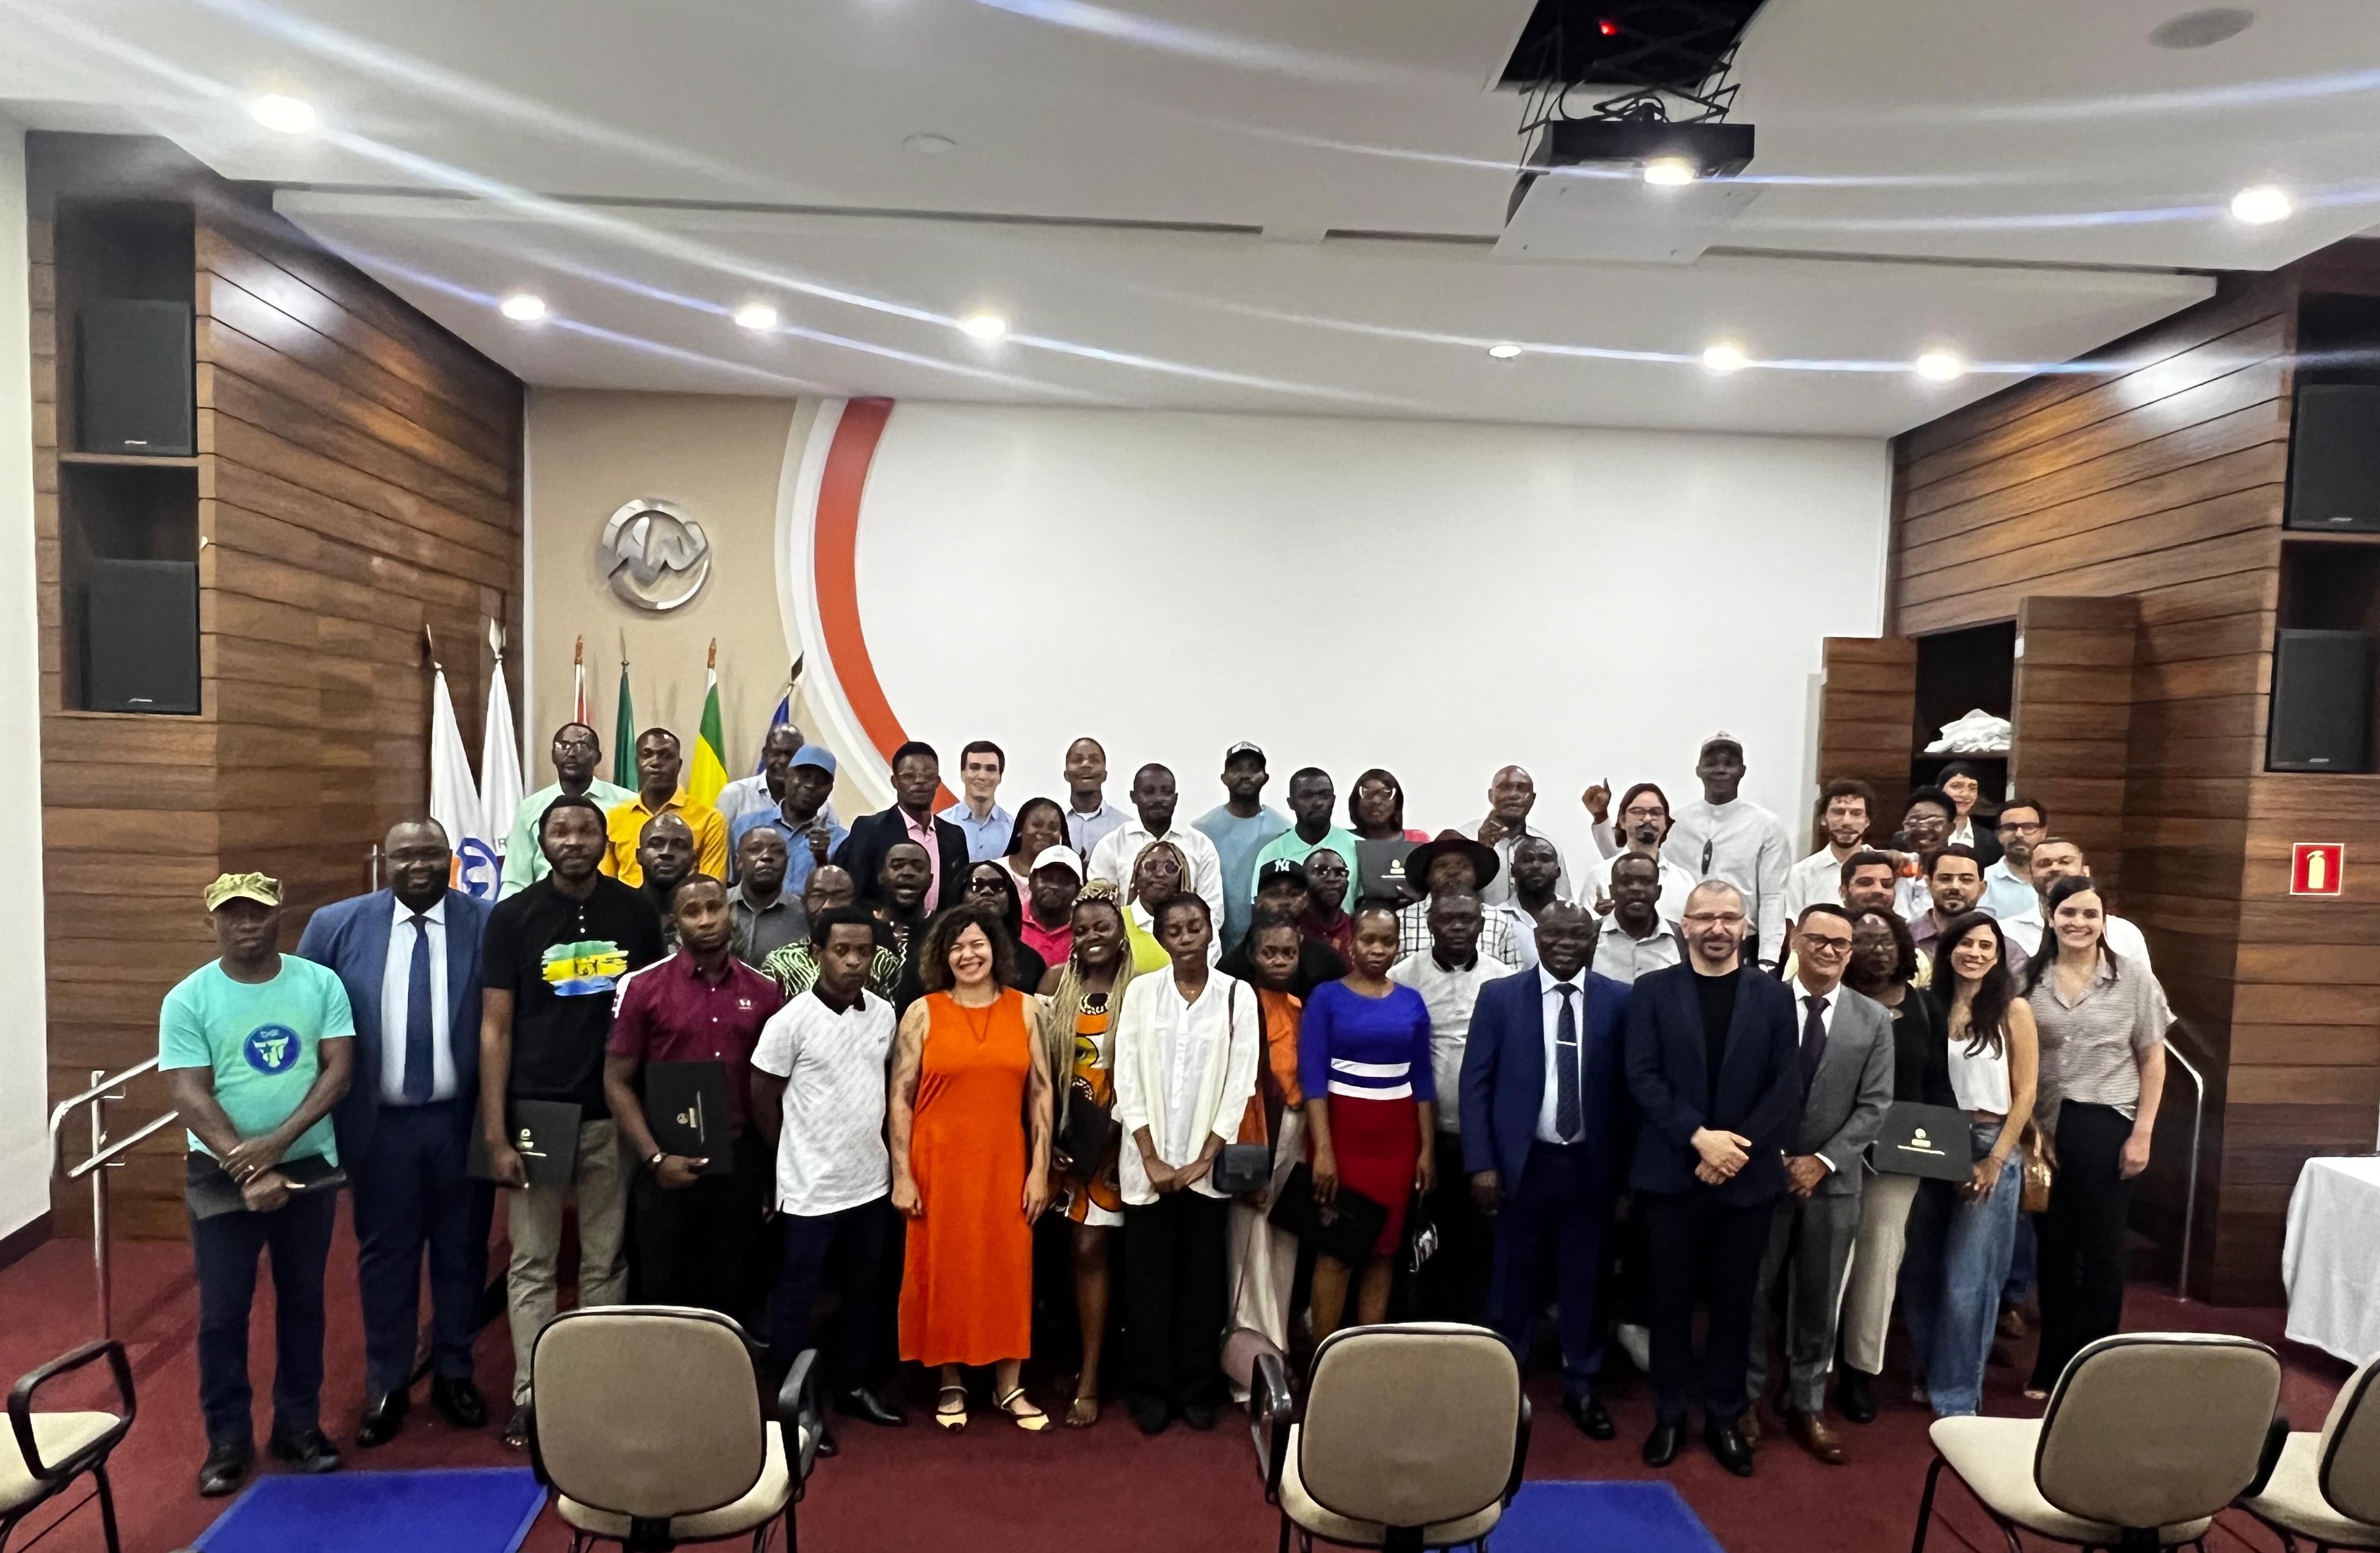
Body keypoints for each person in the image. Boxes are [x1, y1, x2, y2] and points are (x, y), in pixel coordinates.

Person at [479, 794, 668, 1448]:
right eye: (560, 830)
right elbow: (495, 1028)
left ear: (604, 840)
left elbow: (651, 1015)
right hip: (538, 1110)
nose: (574, 840)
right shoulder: (511, 918)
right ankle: (534, 1395)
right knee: (532, 1261)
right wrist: (495, 1132)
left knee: (605, 1259)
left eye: (586, 830)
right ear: (542, 842)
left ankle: (596, 1390)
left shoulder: (635, 912)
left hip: (613, 1111)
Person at [296, 822, 491, 1450]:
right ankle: (388, 1381)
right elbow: (304, 1016)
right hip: (378, 1127)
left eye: (431, 853)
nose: (419, 865)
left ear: (449, 859)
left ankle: (455, 1371)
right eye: (405, 855)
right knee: (386, 1255)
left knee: (463, 1251)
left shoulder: (487, 922)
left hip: (461, 1120)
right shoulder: (335, 925)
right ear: (386, 859)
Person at [164, 872, 357, 1496]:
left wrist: (276, 1146)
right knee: (223, 1311)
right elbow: (188, 1092)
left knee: (304, 1301)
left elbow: (338, 1073)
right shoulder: (188, 999)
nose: (246, 923)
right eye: (233, 914)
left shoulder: (320, 983)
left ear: (280, 916)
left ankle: (297, 1426)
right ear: (212, 923)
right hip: (221, 1174)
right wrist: (249, 1165)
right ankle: (227, 1440)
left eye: (258, 912)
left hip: (306, 1164)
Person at [1625, 879, 1802, 1477]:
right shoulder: (1652, 991)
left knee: (1736, 1303)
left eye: (1730, 917)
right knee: (1669, 1301)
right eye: (1705, 918)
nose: (1718, 928)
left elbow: (1785, 1084)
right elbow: (1642, 1075)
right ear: (1685, 925)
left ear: (1746, 927)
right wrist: (1700, 1138)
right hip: (1672, 1174)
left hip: (1746, 1179)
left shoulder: (1774, 996)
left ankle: (1726, 1416)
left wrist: (1734, 1149)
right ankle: (1670, 1414)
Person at [1460, 900, 1627, 1438]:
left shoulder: (1619, 999)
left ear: (1592, 940)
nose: (1564, 944)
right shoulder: (1500, 996)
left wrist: (1627, 1176)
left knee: (1586, 1278)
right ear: (1537, 938)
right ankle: (1503, 1382)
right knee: (1513, 1275)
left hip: (1590, 1166)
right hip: (1522, 1163)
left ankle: (1582, 1384)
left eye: (1576, 935)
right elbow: (1475, 1084)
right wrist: (1481, 1162)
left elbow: (1630, 1093)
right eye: (1554, 934)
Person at [890, 904, 1057, 1431]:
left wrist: (1040, 1170)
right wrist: (902, 1174)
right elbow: (900, 1096)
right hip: (937, 1161)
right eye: (957, 946)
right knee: (945, 1266)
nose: (968, 954)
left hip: (1005, 1160)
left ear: (996, 949)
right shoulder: (923, 1012)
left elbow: (1042, 1092)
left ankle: (1010, 1385)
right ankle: (950, 1379)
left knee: (1009, 1267)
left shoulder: (1027, 1009)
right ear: (943, 956)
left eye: (977, 943)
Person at [1744, 905, 1894, 1465]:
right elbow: (1741, 1086)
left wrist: (1823, 1161)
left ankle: (1806, 1403)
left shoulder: (1872, 1018)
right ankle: (1744, 1400)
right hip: (1763, 1175)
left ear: (1850, 952)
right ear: (1795, 942)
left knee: (1819, 1296)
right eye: (1818, 940)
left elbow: (1875, 1104)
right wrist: (1776, 1155)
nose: (1829, 951)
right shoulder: (1762, 1004)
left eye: (1841, 943)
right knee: (1752, 1293)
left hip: (1834, 1183)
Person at [1111, 892, 1263, 1434]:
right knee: (1146, 1284)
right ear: (1161, 937)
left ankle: (1197, 1389)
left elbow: (1240, 1082)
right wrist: (1152, 1156)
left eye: (1194, 926)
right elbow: (1126, 1073)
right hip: (1146, 1165)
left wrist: (1204, 1158)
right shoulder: (1141, 992)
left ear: (1210, 929)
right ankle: (1150, 1390)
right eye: (1173, 929)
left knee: (1202, 1283)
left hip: (1207, 1166)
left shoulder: (1236, 995)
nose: (1185, 937)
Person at [751, 904, 906, 1428]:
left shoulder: (883, 1014)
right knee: (799, 1292)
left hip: (870, 1181)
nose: (854, 961)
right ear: (817, 952)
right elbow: (763, 1096)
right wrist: (791, 1151)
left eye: (864, 951)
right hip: (809, 1185)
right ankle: (794, 1403)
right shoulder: (789, 1021)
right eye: (841, 950)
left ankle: (854, 1385)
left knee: (865, 1289)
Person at [604, 874, 784, 1316]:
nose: (706, 920)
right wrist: (654, 1158)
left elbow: (777, 1084)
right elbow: (616, 1080)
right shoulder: (644, 987)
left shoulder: (765, 992)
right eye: (692, 911)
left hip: (740, 1161)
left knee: (734, 1290)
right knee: (664, 1294)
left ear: (730, 912)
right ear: (674, 921)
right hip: (666, 1160)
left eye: (714, 907)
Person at [2022, 875, 2170, 1398]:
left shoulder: (2133, 978)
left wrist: (2143, 1133)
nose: (2079, 923)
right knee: (2054, 1250)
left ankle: (2095, 1368)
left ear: (2105, 920)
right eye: (2069, 912)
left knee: (2103, 1251)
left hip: (2108, 1122)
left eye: (2090, 914)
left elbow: (2153, 1059)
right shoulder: (2027, 976)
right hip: (2045, 1126)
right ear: (2050, 916)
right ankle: (2052, 1360)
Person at [1901, 913, 2037, 1417]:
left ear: (1998, 955)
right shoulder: (1926, 1004)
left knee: (1969, 1278)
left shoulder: (2013, 1009)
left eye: (1986, 945)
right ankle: (1926, 1371)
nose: (1975, 953)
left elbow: (2026, 1092)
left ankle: (1957, 1395)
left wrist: (1997, 1158)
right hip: (1931, 1136)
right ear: (1948, 949)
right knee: (1921, 1268)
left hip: (1989, 1140)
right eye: (1966, 943)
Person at [1833, 907, 1953, 1425]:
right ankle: (1813, 1365)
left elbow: (1938, 1083)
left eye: (1886, 941)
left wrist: (1952, 1153)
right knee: (1829, 1261)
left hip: (1900, 1157)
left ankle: (1859, 1371)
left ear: (1904, 948)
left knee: (1879, 1262)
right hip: (1834, 1151)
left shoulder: (1925, 1006)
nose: (1877, 950)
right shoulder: (1832, 1001)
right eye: (1864, 941)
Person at [1300, 903, 1436, 1339]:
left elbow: (1422, 1080)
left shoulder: (1412, 1001)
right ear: (1351, 943)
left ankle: (1367, 1358)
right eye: (1369, 940)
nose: (1378, 950)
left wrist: (1427, 1150)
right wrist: (1323, 1151)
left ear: (1398, 946)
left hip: (1398, 1144)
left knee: (1384, 1251)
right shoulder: (1326, 997)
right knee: (1337, 1251)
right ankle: (1324, 1358)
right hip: (1342, 1140)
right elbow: (1313, 1079)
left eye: (1388, 942)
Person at [1037, 883, 1136, 1428]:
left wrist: (1110, 1138)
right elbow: (1039, 1069)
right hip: (1064, 1141)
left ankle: (1093, 1376)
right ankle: (1079, 1357)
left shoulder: (1139, 991)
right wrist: (1049, 1134)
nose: (1092, 936)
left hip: (1116, 1143)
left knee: (1091, 1245)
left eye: (1103, 927)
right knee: (1066, 1255)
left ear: (1122, 933)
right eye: (1082, 929)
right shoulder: (1056, 984)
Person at [1391, 890, 1513, 1324]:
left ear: (1482, 924)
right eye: (1448, 919)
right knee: (1423, 1239)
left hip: (1483, 1135)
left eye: (1467, 919)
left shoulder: (1503, 979)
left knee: (1478, 1241)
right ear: (1430, 924)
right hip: (1422, 1132)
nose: (1458, 927)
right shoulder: (1404, 976)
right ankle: (1424, 1328)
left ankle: (1474, 1331)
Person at [1225, 911, 1310, 1391]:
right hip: (1255, 1131)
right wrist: (1248, 1150)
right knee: (1249, 1245)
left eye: (1289, 952)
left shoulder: (1299, 1006)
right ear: (1253, 955)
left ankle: (1278, 1344)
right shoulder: (1240, 1002)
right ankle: (1254, 1358)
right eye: (1270, 952)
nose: (1280, 960)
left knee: (1284, 1241)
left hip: (1295, 1131)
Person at [1666, 734, 1793, 968]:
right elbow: (1636, 861)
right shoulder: (1674, 823)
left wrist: (1768, 959)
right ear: (1698, 770)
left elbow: (1773, 897)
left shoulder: (1766, 826)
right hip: (1679, 944)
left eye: (1729, 763)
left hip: (1740, 945)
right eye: (1712, 762)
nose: (1721, 769)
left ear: (1742, 771)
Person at [502, 723, 636, 898]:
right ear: (553, 756)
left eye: (582, 746)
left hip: (609, 902)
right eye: (564, 746)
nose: (572, 753)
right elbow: (516, 880)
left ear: (598, 757)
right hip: (543, 904)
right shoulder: (531, 807)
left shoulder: (627, 803)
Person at [835, 740, 970, 914]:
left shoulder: (955, 836)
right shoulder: (869, 830)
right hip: (883, 929)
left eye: (928, 776)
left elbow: (958, 899)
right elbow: (855, 894)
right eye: (909, 776)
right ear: (895, 782)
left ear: (938, 782)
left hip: (940, 929)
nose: (920, 781)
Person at [1088, 763, 1226, 924]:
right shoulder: (1111, 846)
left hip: (1188, 938)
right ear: (1133, 797)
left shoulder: (1200, 846)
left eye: (1166, 792)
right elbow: (1099, 910)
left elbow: (1213, 912)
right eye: (1149, 792)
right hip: (1126, 938)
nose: (1159, 799)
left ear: (1175, 798)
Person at [1193, 741, 1291, 954]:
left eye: (1253, 769)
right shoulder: (1201, 832)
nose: (1246, 775)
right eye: (1237, 769)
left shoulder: (1283, 831)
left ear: (1265, 777)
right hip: (1213, 945)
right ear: (1224, 778)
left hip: (1269, 946)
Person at [601, 728, 730, 885]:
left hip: (686, 900)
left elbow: (711, 886)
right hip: (626, 901)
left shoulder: (709, 819)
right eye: (647, 755)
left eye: (665, 755)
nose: (655, 762)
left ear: (679, 765)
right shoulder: (613, 818)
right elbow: (606, 884)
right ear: (637, 763)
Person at [2001, 838, 2153, 967]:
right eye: (2044, 863)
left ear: (2085, 872)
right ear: (2030, 877)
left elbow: (2144, 990)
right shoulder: (2007, 932)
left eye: (2065, 861)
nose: (2055, 868)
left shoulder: (2125, 933)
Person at [760, 865, 901, 1001]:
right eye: (818, 896)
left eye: (838, 896)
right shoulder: (781, 963)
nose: (828, 905)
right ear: (804, 902)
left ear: (853, 902)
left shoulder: (883, 961)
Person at [726, 743, 846, 898]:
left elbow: (837, 898)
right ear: (787, 776)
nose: (810, 785)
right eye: (804, 775)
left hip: (806, 913)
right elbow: (730, 883)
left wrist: (823, 859)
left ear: (829, 790)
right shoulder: (746, 826)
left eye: (821, 781)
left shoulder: (840, 841)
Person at [1220, 859, 1349, 998]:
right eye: (1274, 894)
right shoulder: (1233, 968)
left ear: (1306, 900)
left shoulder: (1328, 960)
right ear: (1258, 902)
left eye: (1294, 894)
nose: (1285, 902)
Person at [1397, 830, 1522, 965]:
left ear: (1476, 875)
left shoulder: (1499, 921)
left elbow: (1515, 975)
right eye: (1442, 865)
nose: (1453, 872)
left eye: (1463, 865)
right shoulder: (1401, 922)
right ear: (1428, 876)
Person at [1251, 768, 1361, 917]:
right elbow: (1259, 908)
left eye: (1325, 795)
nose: (1318, 803)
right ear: (1291, 803)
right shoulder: (1271, 852)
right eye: (1307, 796)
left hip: (1344, 931)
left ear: (1334, 800)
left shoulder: (1357, 846)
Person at [1584, 782, 1696, 923]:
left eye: (1656, 812)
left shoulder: (1684, 880)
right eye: (1638, 812)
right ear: (1622, 821)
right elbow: (1584, 930)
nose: (1648, 819)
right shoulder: (1600, 875)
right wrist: (1601, 918)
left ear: (1666, 823)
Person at [715, 722, 843, 836]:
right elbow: (719, 848)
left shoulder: (824, 809)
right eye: (776, 753)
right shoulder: (735, 795)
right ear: (765, 755)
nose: (783, 761)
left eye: (791, 754)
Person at [1907, 845, 2013, 974]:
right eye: (1945, 879)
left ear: (1982, 889)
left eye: (1966, 880)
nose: (1955, 887)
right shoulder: (1903, 939)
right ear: (1929, 884)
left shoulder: (2007, 950)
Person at [1476, 765, 1570, 906]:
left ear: (1533, 798)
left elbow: (1562, 905)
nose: (1513, 795)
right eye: (1505, 788)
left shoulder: (1548, 848)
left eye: (1522, 788)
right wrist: (1481, 852)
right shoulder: (1464, 840)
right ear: (1491, 795)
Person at [1781, 780, 1876, 920]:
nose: (1847, 822)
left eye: (1856, 813)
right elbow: (1792, 926)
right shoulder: (1800, 875)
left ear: (1867, 821)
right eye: (1838, 812)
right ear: (1823, 819)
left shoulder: (1888, 868)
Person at [1593, 852, 1684, 983]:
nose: (1636, 889)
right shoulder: (1590, 936)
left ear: (1658, 892)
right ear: (1612, 891)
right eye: (1626, 882)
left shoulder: (1681, 939)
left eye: (1645, 882)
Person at [962, 860, 1052, 990]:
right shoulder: (942, 952)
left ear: (1010, 897)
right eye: (977, 885)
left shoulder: (1031, 961)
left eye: (997, 886)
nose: (987, 891)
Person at [872, 841, 940, 1012]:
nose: (908, 872)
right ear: (881, 877)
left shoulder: (943, 930)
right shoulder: (862, 927)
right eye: (897, 866)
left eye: (918, 867)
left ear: (931, 880)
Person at [1349, 766, 1431, 905]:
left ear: (1398, 802)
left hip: (1410, 915)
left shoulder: (1419, 840)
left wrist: (1419, 898)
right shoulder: (1344, 840)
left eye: (1386, 793)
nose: (1376, 800)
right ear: (1355, 803)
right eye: (1367, 794)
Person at [728, 826, 807, 966]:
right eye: (755, 849)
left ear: (786, 862)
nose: (767, 857)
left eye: (777, 851)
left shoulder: (803, 916)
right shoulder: (716, 906)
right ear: (739, 862)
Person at [1126, 839, 1196, 972]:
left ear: (1182, 877)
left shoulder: (1197, 927)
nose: (1160, 874)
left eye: (1170, 868)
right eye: (1150, 866)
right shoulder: (1116, 921)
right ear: (1136, 875)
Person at [940, 738, 1015, 862]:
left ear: (1000, 777)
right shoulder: (941, 824)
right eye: (975, 768)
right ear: (963, 774)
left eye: (990, 769)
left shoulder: (1012, 829)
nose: (982, 776)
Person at [633, 812, 698, 947]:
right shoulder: (620, 912)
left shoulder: (705, 917)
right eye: (656, 844)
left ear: (693, 860)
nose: (667, 853)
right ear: (639, 855)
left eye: (679, 845)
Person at [1891, 788, 1957, 920]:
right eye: (1913, 823)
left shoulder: (1962, 873)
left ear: (1951, 829)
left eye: (1933, 823)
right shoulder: (1895, 864)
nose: (1922, 829)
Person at [1502, 835, 1564, 970]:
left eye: (1545, 859)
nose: (1536, 866)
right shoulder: (1496, 919)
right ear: (1513, 871)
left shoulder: (1573, 916)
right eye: (1527, 859)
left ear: (1558, 871)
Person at [1017, 842, 1083, 968]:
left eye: (1064, 881)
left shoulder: (1085, 929)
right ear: (1031, 881)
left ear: (1078, 890)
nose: (1054, 886)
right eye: (1047, 878)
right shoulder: (1010, 921)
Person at [1979, 796, 2045, 921]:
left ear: (2043, 832)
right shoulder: (1983, 882)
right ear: (1998, 834)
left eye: (2028, 827)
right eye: (2010, 827)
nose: (2019, 834)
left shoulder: (2059, 879)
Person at [1063, 735, 1129, 859]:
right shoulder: (1052, 826)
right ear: (1066, 775)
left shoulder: (1125, 828)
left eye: (1094, 760)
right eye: (1077, 760)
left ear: (1105, 775)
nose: (1086, 765)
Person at [998, 795, 1073, 902]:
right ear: (1020, 829)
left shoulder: (1070, 878)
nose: (1045, 832)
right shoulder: (994, 871)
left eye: (1053, 827)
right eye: (1037, 825)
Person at [1937, 761, 2003, 867]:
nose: (1965, 794)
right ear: (1940, 791)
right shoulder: (1926, 833)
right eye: (1956, 786)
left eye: (1972, 788)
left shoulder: (1989, 840)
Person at [1297, 846, 1355, 960]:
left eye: (1340, 872)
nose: (1332, 879)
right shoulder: (1294, 927)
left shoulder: (1355, 927)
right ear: (1304, 879)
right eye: (1321, 872)